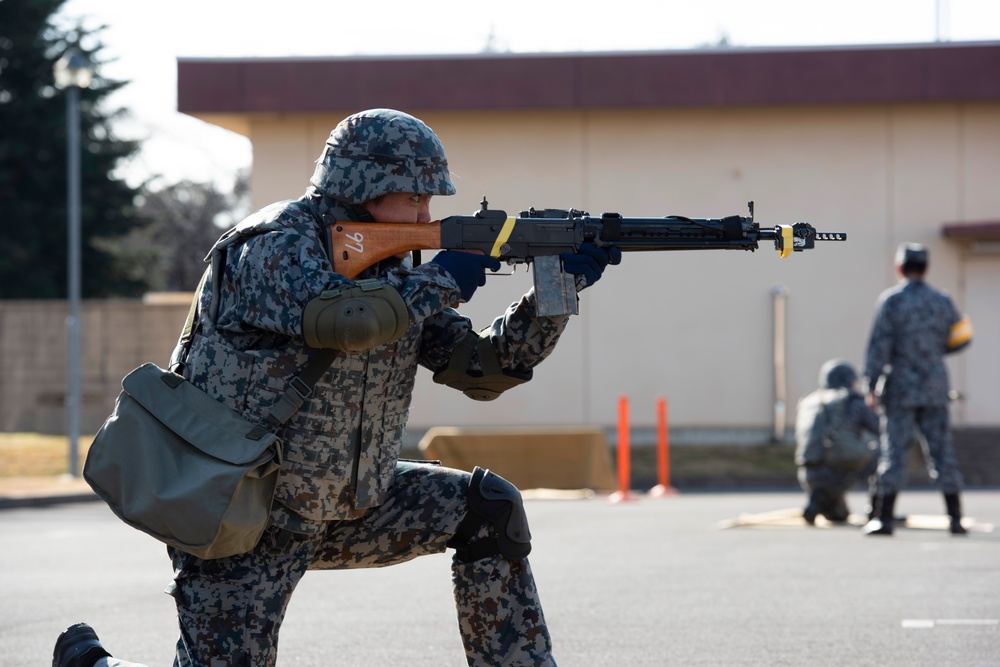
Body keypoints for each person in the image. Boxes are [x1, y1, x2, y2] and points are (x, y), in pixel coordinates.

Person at [54, 108, 620, 667]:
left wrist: (555, 295)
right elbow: (349, 321)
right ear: (364, 188)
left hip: (352, 504)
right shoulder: (271, 248)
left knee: (488, 509)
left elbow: (484, 368)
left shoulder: (395, 271)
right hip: (247, 515)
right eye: (415, 198)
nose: (427, 214)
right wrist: (442, 278)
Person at [861, 242, 971, 537]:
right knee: (942, 452)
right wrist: (937, 351)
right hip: (935, 385)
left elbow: (879, 346)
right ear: (926, 268)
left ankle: (883, 518)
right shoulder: (942, 300)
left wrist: (870, 384)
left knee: (894, 452)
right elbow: (962, 336)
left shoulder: (892, 300)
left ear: (899, 267)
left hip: (900, 388)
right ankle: (956, 519)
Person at [794, 359, 880, 525]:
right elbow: (880, 428)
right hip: (839, 471)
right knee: (884, 453)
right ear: (849, 380)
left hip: (807, 473)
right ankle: (877, 510)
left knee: (839, 516)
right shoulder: (851, 400)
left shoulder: (808, 401)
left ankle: (821, 497)